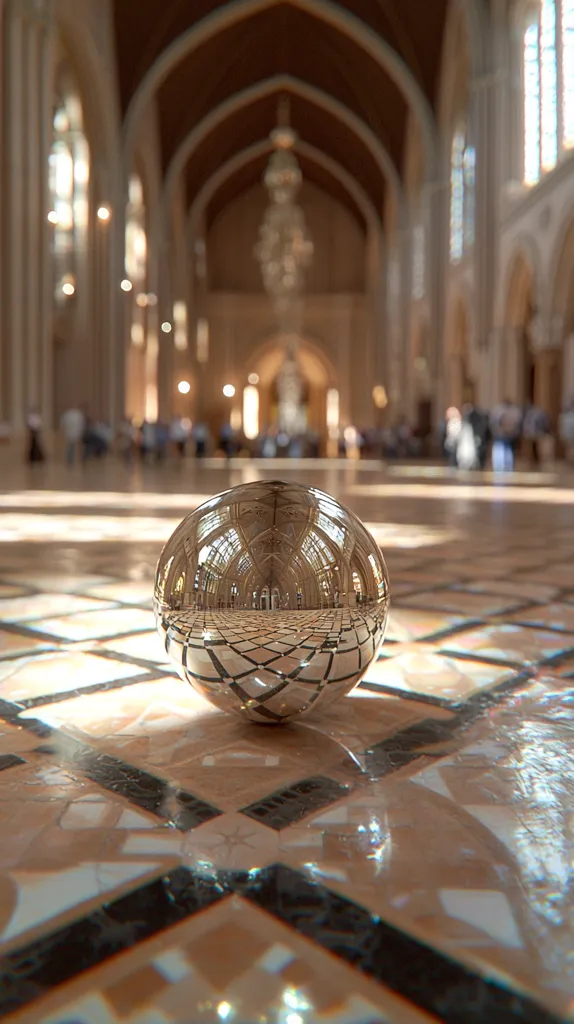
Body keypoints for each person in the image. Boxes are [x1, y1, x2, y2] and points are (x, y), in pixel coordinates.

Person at [490, 398, 522, 472]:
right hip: (500, 433)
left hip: (509, 434)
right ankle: (499, 466)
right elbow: (494, 421)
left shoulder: (514, 410)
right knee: (499, 448)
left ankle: (507, 466)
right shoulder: (498, 409)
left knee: (508, 450)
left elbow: (517, 422)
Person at [559, 398, 574, 463]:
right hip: (568, 434)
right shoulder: (565, 416)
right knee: (569, 447)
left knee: (570, 447)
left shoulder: (565, 416)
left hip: (568, 434)